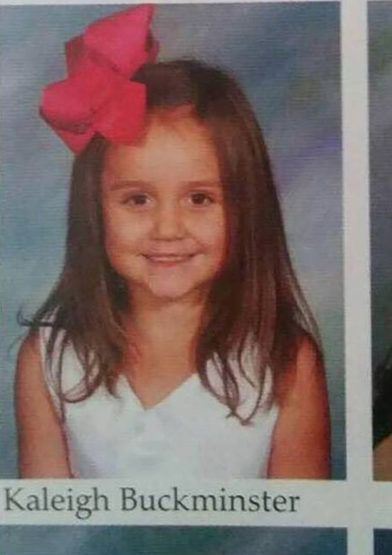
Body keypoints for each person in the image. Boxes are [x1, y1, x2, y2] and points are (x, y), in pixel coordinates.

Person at [14, 5, 330, 479]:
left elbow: (303, 540)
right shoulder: (49, 362)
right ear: (94, 209)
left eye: (200, 198)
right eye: (137, 199)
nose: (167, 228)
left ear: (247, 206)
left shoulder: (286, 364)